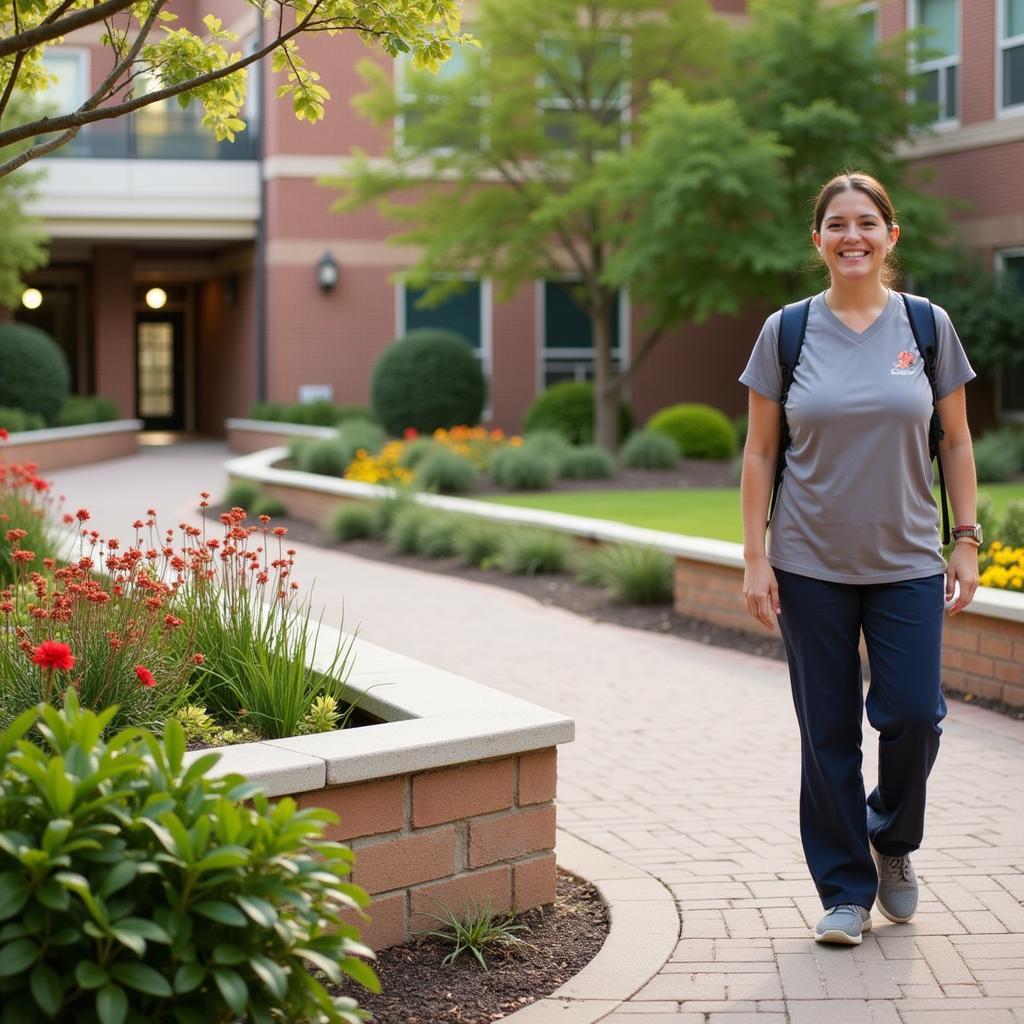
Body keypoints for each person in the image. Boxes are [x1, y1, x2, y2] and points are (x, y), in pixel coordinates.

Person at [738, 171, 980, 946]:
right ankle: (844, 890)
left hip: (908, 558)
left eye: (867, 223)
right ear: (818, 241)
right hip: (809, 562)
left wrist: (967, 539)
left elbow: (958, 440)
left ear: (890, 236)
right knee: (828, 732)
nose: (852, 236)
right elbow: (760, 450)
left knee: (914, 715)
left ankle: (892, 841)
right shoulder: (787, 332)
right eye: (837, 224)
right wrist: (753, 555)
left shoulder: (927, 325)